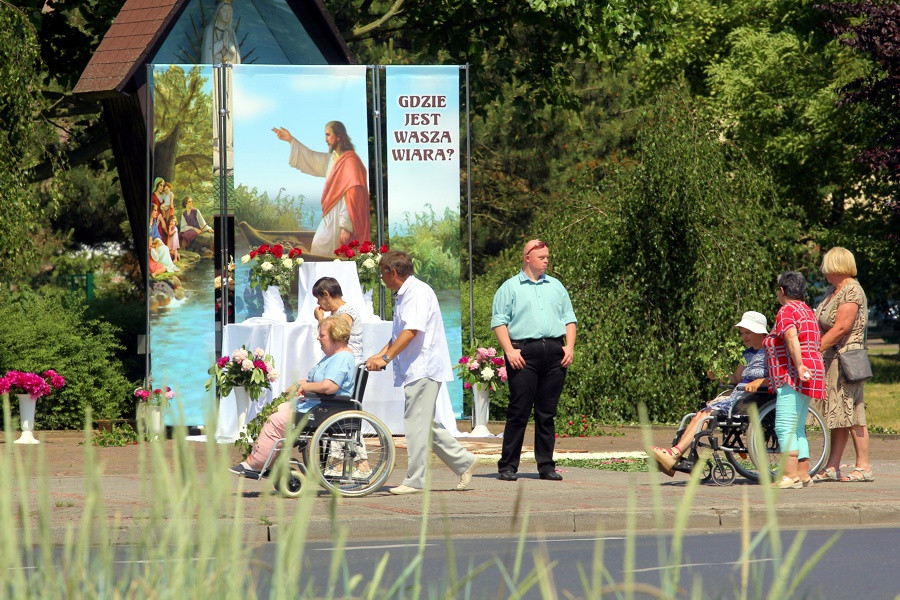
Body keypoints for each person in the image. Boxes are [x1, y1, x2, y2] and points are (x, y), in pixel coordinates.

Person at [365, 251, 478, 495]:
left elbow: (411, 332)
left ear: (394, 273)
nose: (381, 278)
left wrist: (386, 358)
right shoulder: (405, 293)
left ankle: (416, 480)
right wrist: (379, 355)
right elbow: (399, 334)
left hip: (423, 366)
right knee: (425, 423)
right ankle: (463, 462)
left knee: (416, 423)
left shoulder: (417, 293)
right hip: (416, 367)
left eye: (383, 273)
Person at [491, 239, 577, 482]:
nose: (546, 260)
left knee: (547, 412)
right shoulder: (510, 287)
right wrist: (509, 350)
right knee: (519, 410)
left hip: (554, 351)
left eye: (547, 256)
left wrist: (570, 346)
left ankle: (546, 466)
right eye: (542, 257)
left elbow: (569, 318)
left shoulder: (556, 286)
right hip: (523, 352)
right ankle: (508, 466)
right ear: (527, 258)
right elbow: (499, 321)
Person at [229, 316, 356, 476]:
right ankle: (269, 461)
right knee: (275, 410)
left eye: (322, 335)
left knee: (276, 420)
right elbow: (318, 381)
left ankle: (256, 463)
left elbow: (329, 386)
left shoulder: (342, 357)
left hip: (326, 409)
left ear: (335, 336)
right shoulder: (333, 357)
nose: (318, 338)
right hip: (318, 406)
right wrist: (299, 384)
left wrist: (305, 387)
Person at [651, 311, 770, 475]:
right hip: (738, 396)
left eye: (748, 332)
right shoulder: (747, 354)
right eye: (742, 333)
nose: (744, 337)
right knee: (699, 415)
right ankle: (675, 454)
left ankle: (675, 453)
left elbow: (777, 377)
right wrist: (719, 375)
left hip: (753, 399)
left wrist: (759, 382)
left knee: (707, 415)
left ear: (760, 332)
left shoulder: (770, 353)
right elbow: (736, 379)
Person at [813, 247, 873, 482]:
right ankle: (832, 466)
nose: (823, 270)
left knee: (852, 411)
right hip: (833, 359)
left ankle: (864, 467)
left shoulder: (851, 291)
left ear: (836, 266)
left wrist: (813, 350)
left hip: (847, 359)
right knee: (838, 413)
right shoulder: (833, 290)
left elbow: (841, 327)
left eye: (826, 265)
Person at [762, 271, 825, 489]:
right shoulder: (807, 310)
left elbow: (790, 336)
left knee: (784, 425)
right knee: (797, 426)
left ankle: (789, 476)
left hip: (792, 374)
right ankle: (802, 473)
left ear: (782, 290)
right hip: (812, 371)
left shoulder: (787, 310)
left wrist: (798, 366)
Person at [272, 121, 370, 255]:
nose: (326, 139)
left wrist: (346, 226)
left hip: (341, 218)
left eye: (328, 135)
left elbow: (353, 195)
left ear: (339, 136)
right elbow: (311, 157)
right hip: (330, 214)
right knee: (320, 247)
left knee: (322, 247)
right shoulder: (332, 159)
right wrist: (290, 140)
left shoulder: (351, 162)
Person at [312, 277, 363, 363]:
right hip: (338, 360)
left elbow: (337, 334)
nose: (318, 303)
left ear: (326, 294)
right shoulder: (335, 312)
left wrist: (320, 319)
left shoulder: (347, 311)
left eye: (319, 298)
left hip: (349, 362)